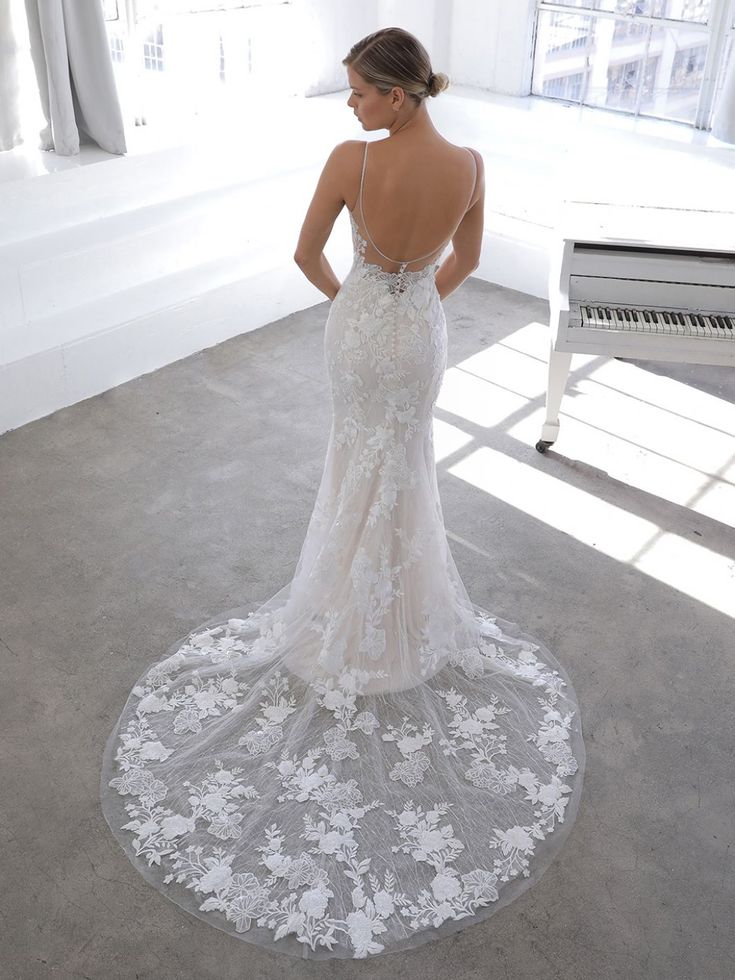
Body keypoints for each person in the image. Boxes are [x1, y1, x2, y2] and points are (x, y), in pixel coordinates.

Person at [100, 27, 585, 960]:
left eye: (361, 89)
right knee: (402, 466)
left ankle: (343, 618)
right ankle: (398, 619)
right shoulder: (472, 163)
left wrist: (359, 302)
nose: (349, 103)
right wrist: (414, 301)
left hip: (361, 325)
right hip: (420, 330)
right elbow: (468, 262)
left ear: (400, 95)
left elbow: (304, 256)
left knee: (355, 461)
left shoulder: (351, 162)